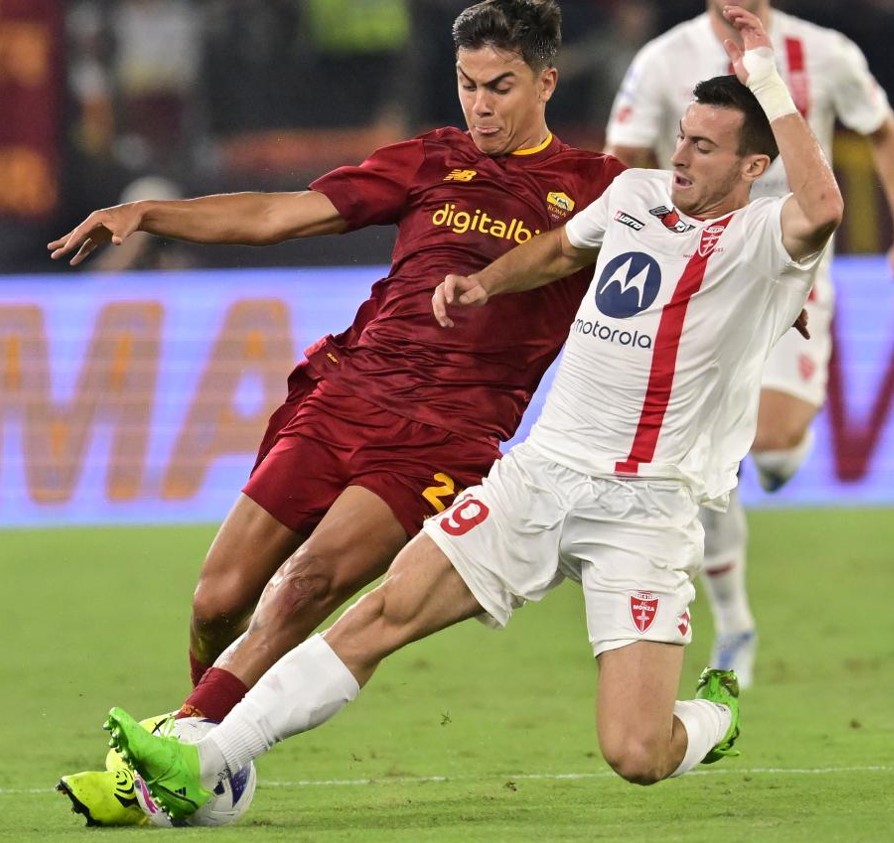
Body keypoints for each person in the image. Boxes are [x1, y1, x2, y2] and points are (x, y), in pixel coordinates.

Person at [102, 6, 843, 821]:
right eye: (681, 139)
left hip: (640, 504)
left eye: (703, 147)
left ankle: (714, 718)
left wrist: (764, 76)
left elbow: (820, 209)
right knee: (359, 610)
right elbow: (560, 249)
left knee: (636, 751)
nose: (680, 158)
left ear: (753, 167)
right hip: (535, 469)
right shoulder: (631, 195)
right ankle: (201, 755)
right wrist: (485, 281)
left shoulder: (762, 238)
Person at [49, 0, 626, 827]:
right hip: (345, 398)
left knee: (305, 585)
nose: (481, 105)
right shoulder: (431, 159)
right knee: (218, 598)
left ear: (546, 83)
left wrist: (775, 298)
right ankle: (208, 744)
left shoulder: (597, 189)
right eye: (467, 85)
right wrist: (148, 214)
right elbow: (279, 214)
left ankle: (170, 760)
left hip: (443, 440)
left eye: (500, 87)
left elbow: (689, 257)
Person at [602, 0, 894, 688]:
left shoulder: (827, 51)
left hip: (795, 271)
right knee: (713, 453)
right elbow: (621, 161)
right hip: (699, 277)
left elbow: (881, 127)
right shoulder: (662, 60)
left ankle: (784, 456)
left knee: (775, 441)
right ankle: (734, 622)